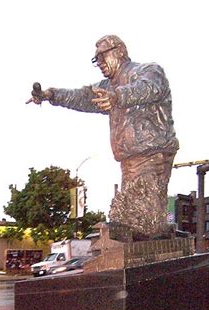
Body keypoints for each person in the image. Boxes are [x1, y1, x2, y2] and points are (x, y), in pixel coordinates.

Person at [28, 35, 179, 238]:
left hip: (151, 152)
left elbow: (149, 89)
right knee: (139, 214)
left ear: (120, 51)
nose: (99, 63)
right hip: (132, 157)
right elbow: (82, 96)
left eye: (101, 56)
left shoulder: (147, 71)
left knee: (140, 213)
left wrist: (117, 97)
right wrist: (51, 95)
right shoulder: (108, 87)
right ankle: (155, 245)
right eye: (95, 59)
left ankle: (153, 248)